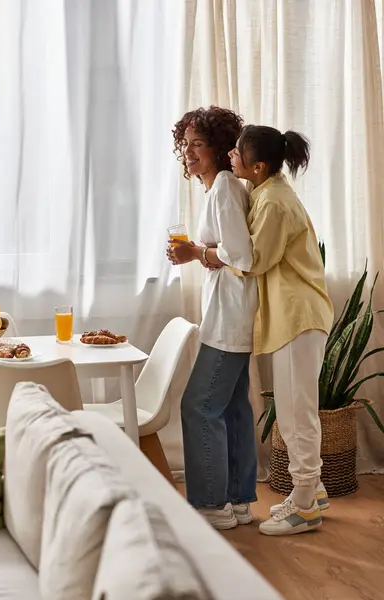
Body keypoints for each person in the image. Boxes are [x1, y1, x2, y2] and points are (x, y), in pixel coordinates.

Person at [229, 125, 334, 536]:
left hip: (298, 318)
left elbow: (255, 259)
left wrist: (208, 255)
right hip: (294, 317)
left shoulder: (273, 201)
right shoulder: (268, 192)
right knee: (295, 411)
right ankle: (315, 490)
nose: (231, 157)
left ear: (257, 166)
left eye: (237, 152)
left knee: (295, 414)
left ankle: (305, 507)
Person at [167, 107, 258, 530]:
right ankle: (238, 502)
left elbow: (241, 253)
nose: (188, 152)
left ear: (220, 148)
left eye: (197, 144)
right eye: (185, 144)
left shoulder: (223, 186)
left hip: (230, 318)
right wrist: (200, 256)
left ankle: (210, 506)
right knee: (232, 409)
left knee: (199, 407)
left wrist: (195, 254)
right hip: (231, 314)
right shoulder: (219, 187)